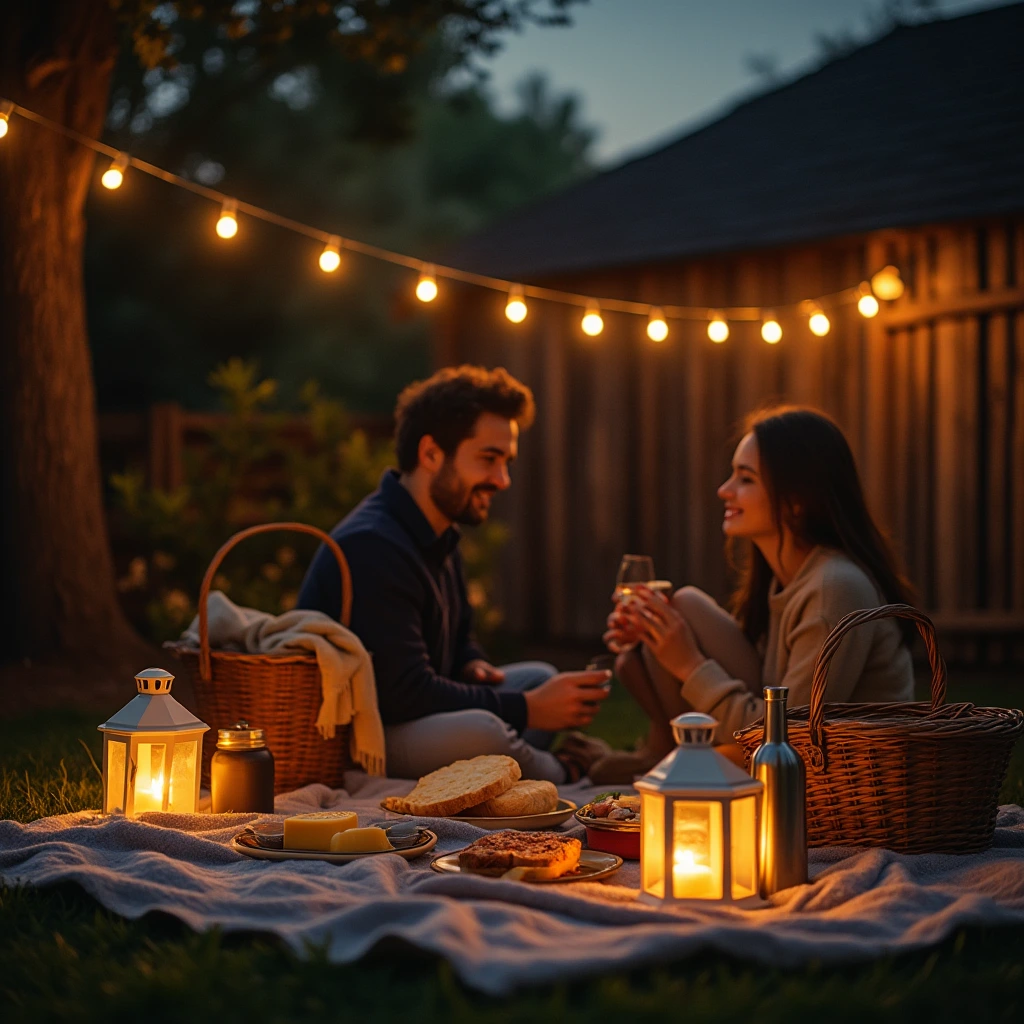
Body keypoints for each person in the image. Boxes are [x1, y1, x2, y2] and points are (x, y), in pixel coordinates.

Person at [298, 365, 611, 783]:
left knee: (539, 677)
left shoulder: (439, 531)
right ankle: (570, 771)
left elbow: (459, 638)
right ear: (430, 454)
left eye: (507, 462)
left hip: (419, 713)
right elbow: (403, 693)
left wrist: (472, 663)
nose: (502, 480)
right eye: (489, 459)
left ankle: (504, 770)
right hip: (366, 739)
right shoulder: (372, 544)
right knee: (486, 730)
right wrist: (529, 709)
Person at [591, 405, 915, 784]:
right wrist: (650, 641)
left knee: (666, 779)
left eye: (745, 479)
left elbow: (785, 737)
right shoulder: (786, 578)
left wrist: (689, 664)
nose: (723, 490)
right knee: (683, 607)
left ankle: (672, 764)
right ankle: (664, 755)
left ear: (797, 500)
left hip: (837, 773)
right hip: (780, 737)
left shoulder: (833, 588)